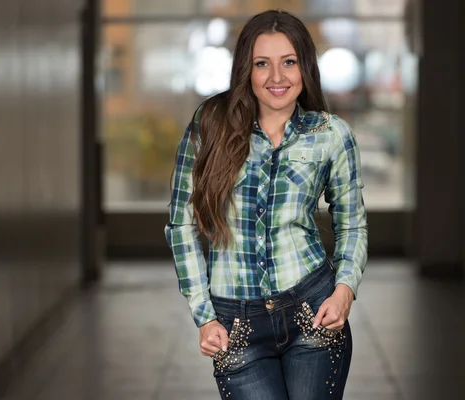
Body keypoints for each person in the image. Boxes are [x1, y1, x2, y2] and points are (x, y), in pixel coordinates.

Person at [165, 9, 368, 400]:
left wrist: (344, 290)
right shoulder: (208, 125)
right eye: (263, 64)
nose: (277, 77)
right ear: (246, 69)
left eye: (288, 62)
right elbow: (181, 225)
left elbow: (352, 224)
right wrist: (204, 316)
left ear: (304, 67)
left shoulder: (330, 134)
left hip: (313, 308)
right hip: (235, 324)